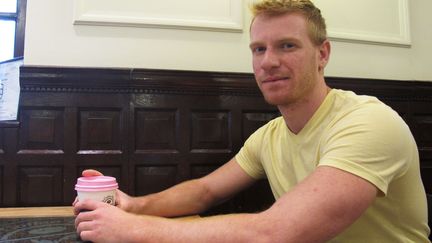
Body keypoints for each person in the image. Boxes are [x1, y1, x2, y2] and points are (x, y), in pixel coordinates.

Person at [73, 0, 430, 242]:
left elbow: (276, 232)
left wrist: (133, 229)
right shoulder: (269, 136)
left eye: (287, 46)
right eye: (259, 49)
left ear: (322, 54)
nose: (268, 62)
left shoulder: (368, 121)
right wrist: (132, 204)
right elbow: (204, 192)